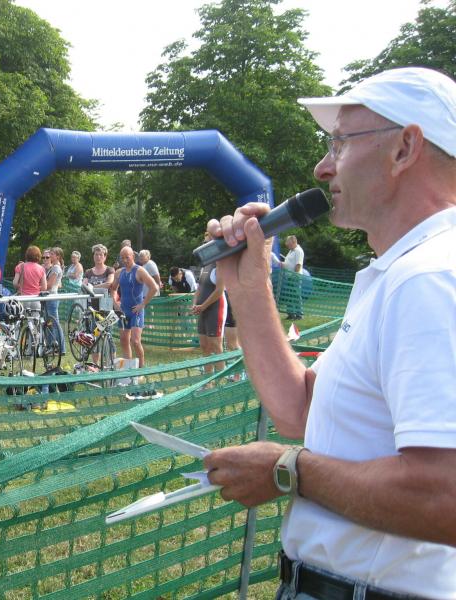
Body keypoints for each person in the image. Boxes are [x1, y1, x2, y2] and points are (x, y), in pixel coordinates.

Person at [203, 67, 456, 599]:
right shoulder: (400, 273)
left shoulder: (430, 278)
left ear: (405, 148)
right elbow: (302, 410)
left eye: (340, 142)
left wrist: (289, 469)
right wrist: (248, 286)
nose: (322, 167)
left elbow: (445, 497)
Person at [110, 246, 158, 368]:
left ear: (133, 256)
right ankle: (129, 368)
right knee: (124, 340)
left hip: (136, 311)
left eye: (127, 257)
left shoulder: (139, 270)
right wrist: (115, 303)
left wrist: (143, 304)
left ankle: (141, 368)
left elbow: (154, 287)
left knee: (135, 341)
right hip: (123, 310)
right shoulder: (119, 272)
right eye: (122, 258)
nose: (125, 260)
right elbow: (113, 289)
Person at [191, 244, 227, 375]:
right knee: (204, 346)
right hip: (202, 310)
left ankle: (222, 381)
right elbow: (199, 288)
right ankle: (208, 380)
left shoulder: (221, 265)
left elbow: (219, 291)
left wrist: (203, 306)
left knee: (216, 346)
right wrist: (195, 304)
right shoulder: (205, 266)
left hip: (215, 309)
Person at [43, 247, 66, 355]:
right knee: (50, 323)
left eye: (52, 254)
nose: (50, 256)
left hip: (52, 297)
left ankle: (61, 348)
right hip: (49, 297)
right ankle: (52, 346)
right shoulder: (54, 267)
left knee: (55, 323)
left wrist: (35, 287)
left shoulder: (56, 268)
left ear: (57, 256)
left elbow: (49, 285)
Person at [278, 235, 305, 320]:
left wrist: (294, 275)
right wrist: (283, 264)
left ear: (294, 242)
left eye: (288, 243)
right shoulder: (291, 251)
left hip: (295, 277)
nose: (287, 245)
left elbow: (298, 265)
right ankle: (291, 314)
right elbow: (289, 263)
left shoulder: (298, 251)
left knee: (296, 296)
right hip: (289, 277)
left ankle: (299, 314)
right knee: (289, 295)